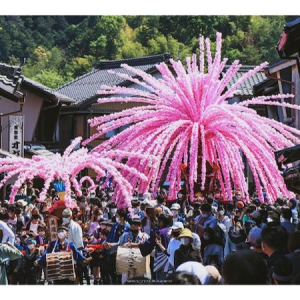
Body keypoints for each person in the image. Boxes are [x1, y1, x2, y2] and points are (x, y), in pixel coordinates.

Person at [104, 217, 150, 283]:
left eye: (135, 224)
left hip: (140, 265)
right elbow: (118, 245)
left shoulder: (145, 236)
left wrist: (137, 246)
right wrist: (110, 245)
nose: (133, 226)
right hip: (126, 265)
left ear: (140, 226)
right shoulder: (125, 235)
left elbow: (149, 248)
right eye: (131, 224)